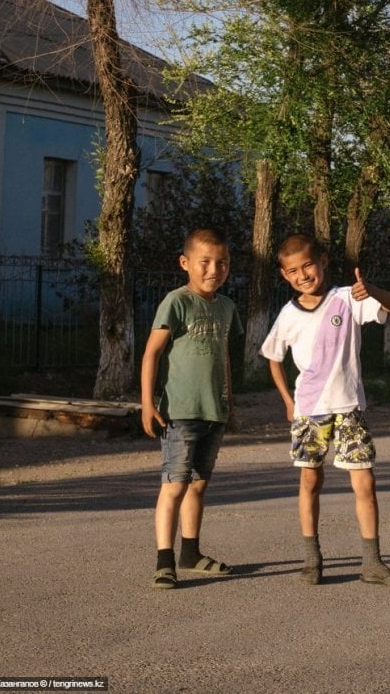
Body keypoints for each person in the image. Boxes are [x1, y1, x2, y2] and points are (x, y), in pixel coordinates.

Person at [260, 233, 390, 588]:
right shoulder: (288, 314)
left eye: (308, 265)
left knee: (365, 482)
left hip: (349, 409)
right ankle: (312, 560)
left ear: (323, 261)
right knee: (311, 480)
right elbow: (273, 359)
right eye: (293, 270)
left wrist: (370, 289)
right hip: (310, 413)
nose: (303, 274)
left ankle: (372, 562)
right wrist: (288, 402)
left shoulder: (347, 298)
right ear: (284, 275)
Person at [140, 227, 244, 589]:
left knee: (198, 485)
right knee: (174, 485)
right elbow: (152, 353)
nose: (214, 269)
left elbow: (226, 359)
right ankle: (164, 561)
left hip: (213, 411)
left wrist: (230, 404)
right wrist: (147, 403)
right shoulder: (177, 301)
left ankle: (191, 553)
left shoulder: (227, 307)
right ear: (186, 263)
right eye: (205, 262)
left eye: (223, 263)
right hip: (180, 411)